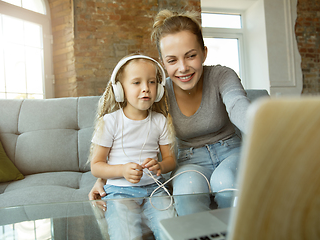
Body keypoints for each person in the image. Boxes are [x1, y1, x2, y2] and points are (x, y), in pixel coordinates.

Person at [90, 9, 251, 216]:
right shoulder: (159, 92)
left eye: (191, 56)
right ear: (163, 63)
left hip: (231, 151)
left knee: (225, 181)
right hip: (189, 160)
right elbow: (135, 134)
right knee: (186, 193)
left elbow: (239, 105)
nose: (183, 68)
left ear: (204, 52)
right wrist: (103, 179)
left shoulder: (222, 75)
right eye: (172, 60)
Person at [89, 54, 177, 239]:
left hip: (154, 189)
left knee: (171, 232)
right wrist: (122, 170)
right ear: (120, 90)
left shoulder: (160, 121)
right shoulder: (110, 122)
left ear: (159, 89)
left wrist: (160, 166)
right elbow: (96, 166)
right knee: (125, 235)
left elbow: (170, 160)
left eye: (152, 82)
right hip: (119, 192)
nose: (146, 88)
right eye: (136, 83)